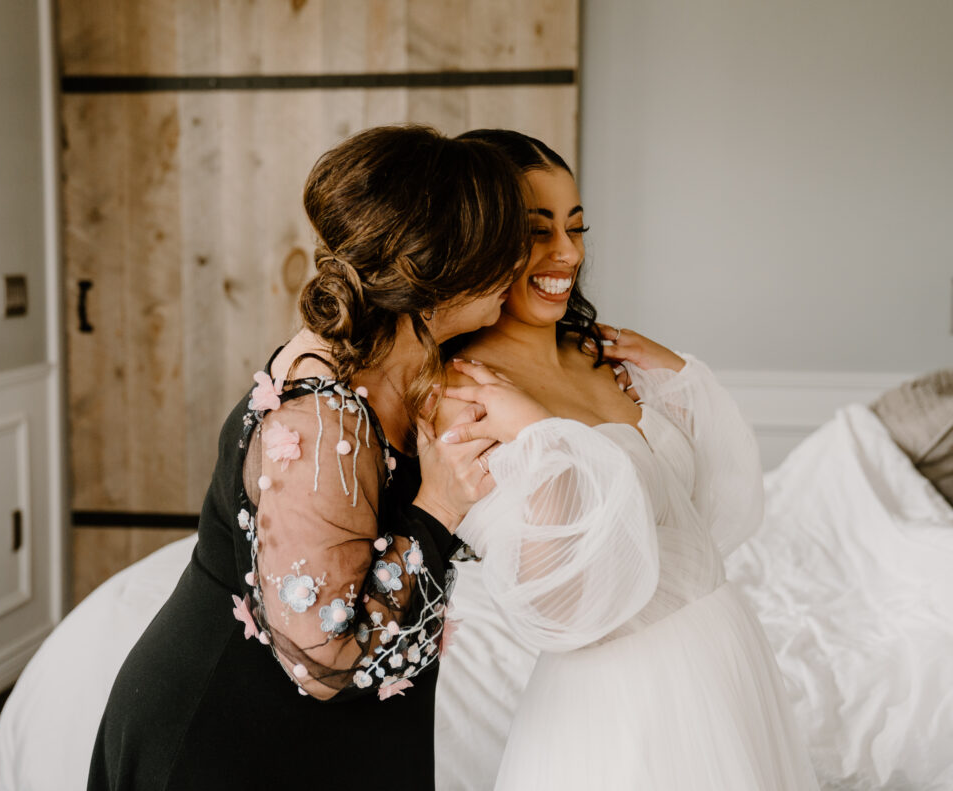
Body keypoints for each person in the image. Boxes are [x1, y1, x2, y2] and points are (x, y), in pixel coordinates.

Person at [88, 125, 529, 790]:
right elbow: (324, 658)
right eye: (507, 241)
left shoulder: (408, 363)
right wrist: (437, 507)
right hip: (231, 747)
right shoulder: (319, 417)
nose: (523, 258)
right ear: (441, 268)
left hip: (321, 744)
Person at [436, 129, 820, 789]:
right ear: (479, 239)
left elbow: (709, 512)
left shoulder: (600, 356)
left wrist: (677, 376)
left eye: (577, 227)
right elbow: (559, 602)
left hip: (724, 647)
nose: (568, 253)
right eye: (538, 231)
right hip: (627, 694)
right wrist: (541, 433)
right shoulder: (465, 395)